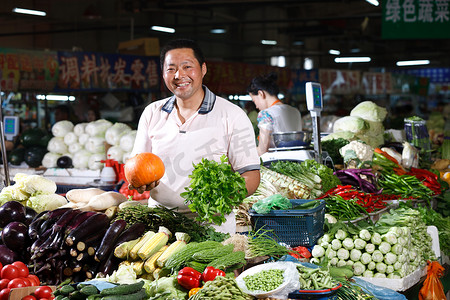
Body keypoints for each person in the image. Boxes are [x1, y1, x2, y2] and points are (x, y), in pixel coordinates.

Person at [129, 38, 261, 234]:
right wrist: (139, 183)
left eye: (187, 67)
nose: (179, 75)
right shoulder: (152, 113)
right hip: (160, 225)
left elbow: (250, 175)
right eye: (171, 69)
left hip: (212, 225)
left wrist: (221, 198)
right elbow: (137, 164)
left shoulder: (232, 115)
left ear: (203, 69)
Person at [247, 72, 303, 155]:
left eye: (254, 101)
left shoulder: (266, 114)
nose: (256, 106)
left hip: (275, 163)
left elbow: (262, 151)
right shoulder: (295, 111)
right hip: (296, 160)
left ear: (260, 94)